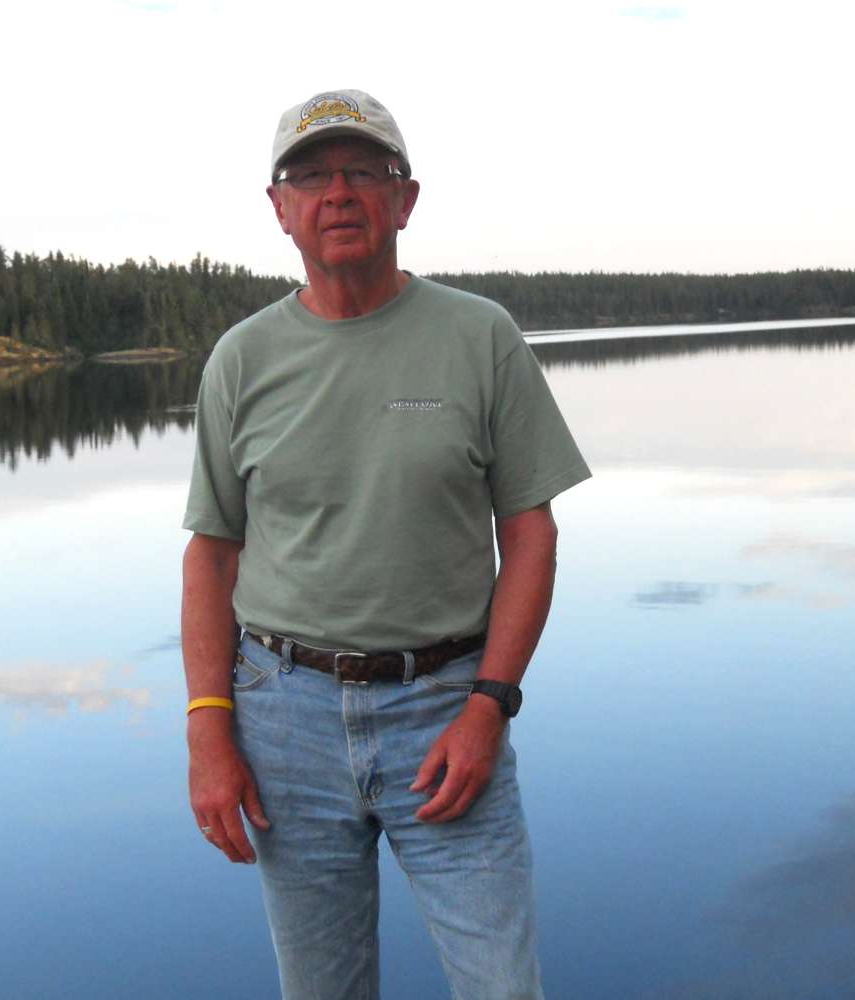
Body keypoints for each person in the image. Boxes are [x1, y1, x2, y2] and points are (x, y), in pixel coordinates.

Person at [180, 88, 590, 1000]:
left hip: (447, 711)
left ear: (404, 200)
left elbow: (530, 533)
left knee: (502, 988)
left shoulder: (480, 336)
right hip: (283, 718)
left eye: (363, 172)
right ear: (280, 208)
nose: (337, 193)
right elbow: (211, 553)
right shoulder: (241, 359)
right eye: (310, 177)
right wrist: (209, 725)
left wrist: (489, 705)